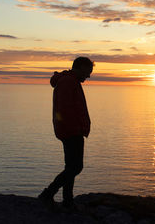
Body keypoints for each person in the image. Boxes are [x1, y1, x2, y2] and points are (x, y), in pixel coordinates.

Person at [39, 57, 94, 208]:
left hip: (69, 129)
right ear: (80, 67)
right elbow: (63, 109)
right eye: (88, 71)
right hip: (71, 130)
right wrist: (74, 128)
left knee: (71, 166)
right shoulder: (68, 82)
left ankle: (68, 200)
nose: (88, 75)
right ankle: (48, 193)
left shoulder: (70, 81)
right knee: (75, 167)